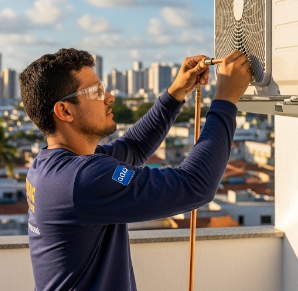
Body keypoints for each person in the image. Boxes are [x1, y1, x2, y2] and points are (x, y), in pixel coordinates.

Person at [20, 48, 252, 291]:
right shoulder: (80, 179)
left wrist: (176, 92)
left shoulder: (53, 165)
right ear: (64, 111)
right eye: (96, 91)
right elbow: (194, 186)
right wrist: (226, 99)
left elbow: (133, 147)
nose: (109, 97)